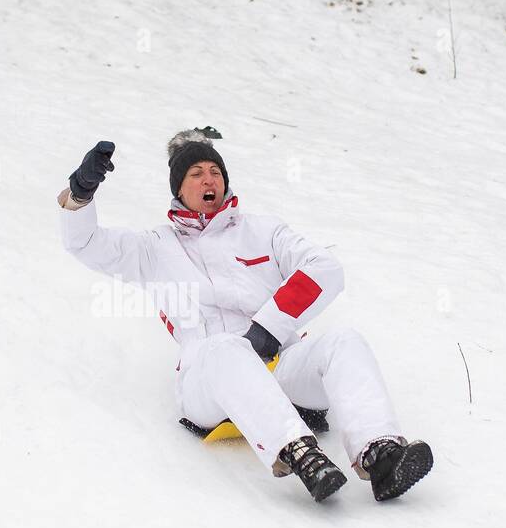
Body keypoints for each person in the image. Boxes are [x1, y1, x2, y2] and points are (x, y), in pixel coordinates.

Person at [57, 129, 433, 503]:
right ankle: (299, 451)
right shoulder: (155, 248)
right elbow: (84, 243)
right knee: (224, 347)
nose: (209, 179)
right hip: (208, 382)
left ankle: (380, 453)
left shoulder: (263, 231)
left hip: (277, 363)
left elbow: (326, 268)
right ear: (180, 190)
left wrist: (269, 328)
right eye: (196, 173)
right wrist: (80, 193)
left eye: (215, 171)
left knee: (343, 341)